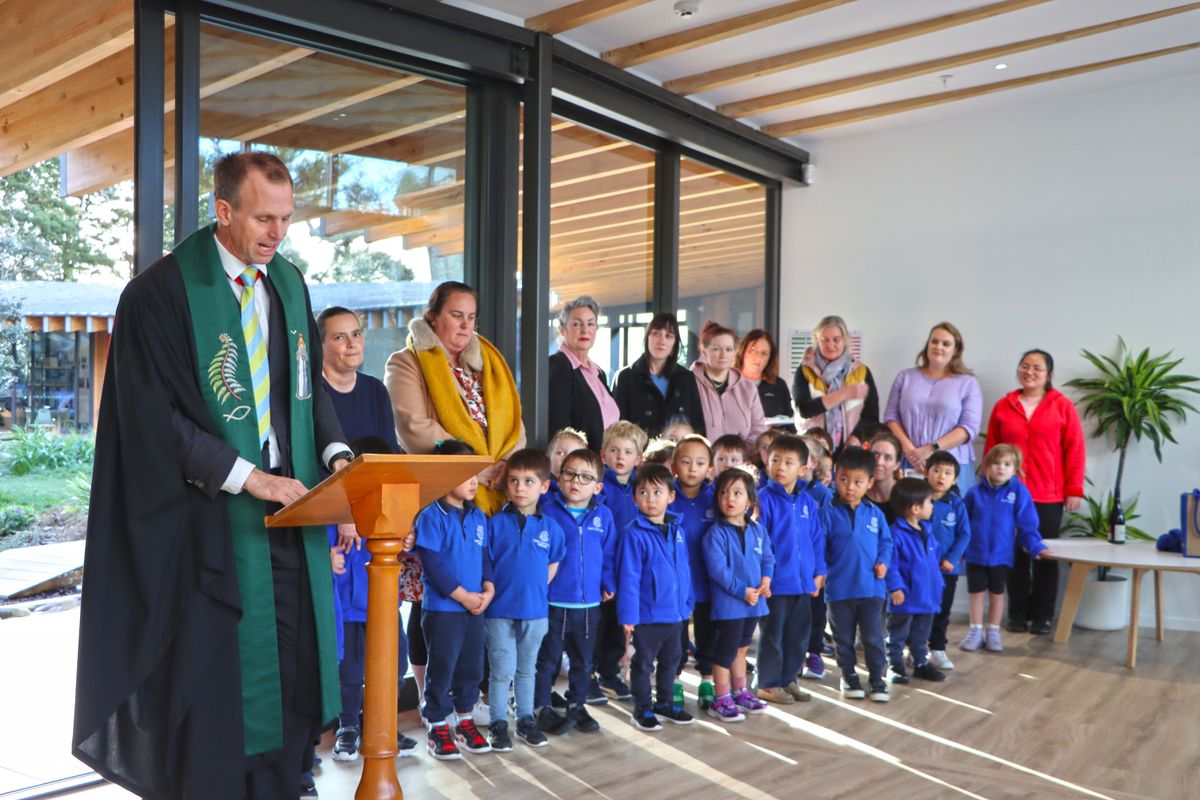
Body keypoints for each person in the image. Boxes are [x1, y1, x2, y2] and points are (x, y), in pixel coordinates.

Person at [73, 152, 353, 799]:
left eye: (286, 219)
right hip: (207, 527)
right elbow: (151, 419)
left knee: (291, 673)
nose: (278, 233)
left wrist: (337, 455)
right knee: (218, 697)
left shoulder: (288, 284)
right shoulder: (160, 294)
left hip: (291, 517)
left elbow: (306, 390)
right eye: (263, 218)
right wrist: (248, 477)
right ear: (224, 211)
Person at [385, 281, 526, 514]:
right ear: (432, 317)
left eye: (471, 317)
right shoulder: (405, 362)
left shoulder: (489, 362)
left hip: (502, 486)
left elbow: (514, 423)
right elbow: (413, 426)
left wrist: (506, 465)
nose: (465, 325)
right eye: (456, 315)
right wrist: (469, 466)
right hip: (442, 497)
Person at [985, 349, 1086, 635]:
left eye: (1037, 368)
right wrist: (989, 487)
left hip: (1048, 496)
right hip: (1010, 495)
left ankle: (1043, 616)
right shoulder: (1004, 406)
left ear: (1049, 375)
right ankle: (1017, 614)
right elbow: (992, 450)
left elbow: (1075, 450)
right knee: (1015, 557)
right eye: (1025, 366)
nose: (1029, 372)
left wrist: (1073, 489)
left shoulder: (1062, 406)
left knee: (1045, 557)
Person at [414, 440, 494, 760]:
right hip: (444, 609)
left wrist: (488, 590)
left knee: (471, 667)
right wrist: (463, 597)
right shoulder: (430, 515)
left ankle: (464, 721)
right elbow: (433, 565)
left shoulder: (478, 516)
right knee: (442, 666)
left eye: (475, 474)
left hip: (475, 608)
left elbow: (485, 558)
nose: (474, 481)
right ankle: (437, 726)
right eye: (465, 475)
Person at [485, 449, 565, 752]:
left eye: (529, 481)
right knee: (501, 669)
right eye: (514, 481)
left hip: (535, 612)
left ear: (544, 486)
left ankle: (525, 720)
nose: (520, 488)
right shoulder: (494, 524)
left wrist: (535, 589)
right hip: (498, 612)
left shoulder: (551, 528)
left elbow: (553, 563)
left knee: (527, 669)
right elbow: (486, 565)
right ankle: (497, 723)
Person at [535, 447, 617, 735]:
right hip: (553, 601)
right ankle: (541, 706)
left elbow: (609, 554)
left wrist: (608, 583)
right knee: (548, 659)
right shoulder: (547, 512)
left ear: (598, 486)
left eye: (585, 477)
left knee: (583, 661)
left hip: (588, 605)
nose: (576, 482)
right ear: (558, 478)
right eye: (570, 474)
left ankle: (577, 705)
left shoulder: (603, 516)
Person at [617, 464, 695, 732]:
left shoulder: (678, 530)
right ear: (634, 498)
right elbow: (628, 578)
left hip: (676, 614)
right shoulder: (632, 534)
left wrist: (687, 603)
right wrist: (628, 616)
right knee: (643, 664)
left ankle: (665, 703)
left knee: (671, 661)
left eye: (657, 492)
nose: (650, 499)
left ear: (671, 496)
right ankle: (642, 707)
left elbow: (684, 570)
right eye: (643, 492)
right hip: (647, 615)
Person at [961, 444, 1051, 653]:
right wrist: (959, 551)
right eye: (996, 463)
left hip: (1001, 556)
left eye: (1007, 464)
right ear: (986, 466)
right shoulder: (974, 493)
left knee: (997, 593)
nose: (1001, 467)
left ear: (1015, 469)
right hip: (975, 554)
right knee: (976, 593)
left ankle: (993, 631)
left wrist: (1035, 546)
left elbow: (1027, 523)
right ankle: (975, 631)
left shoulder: (1019, 492)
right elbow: (962, 525)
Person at [755, 435, 825, 705]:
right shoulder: (763, 499)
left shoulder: (808, 502)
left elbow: (816, 539)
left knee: (797, 635)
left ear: (803, 468)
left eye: (788, 462)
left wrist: (819, 571)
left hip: (803, 583)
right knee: (773, 635)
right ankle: (768, 683)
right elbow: (760, 542)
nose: (780, 467)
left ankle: (788, 679)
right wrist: (764, 577)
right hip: (775, 584)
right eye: (775, 460)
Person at [703, 468, 774, 722]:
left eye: (737, 493)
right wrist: (741, 591)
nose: (729, 498)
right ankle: (720, 698)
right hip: (730, 605)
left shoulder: (758, 531)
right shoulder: (716, 533)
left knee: (742, 650)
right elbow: (718, 570)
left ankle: (740, 692)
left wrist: (766, 581)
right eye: (723, 493)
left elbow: (768, 559)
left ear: (750, 500)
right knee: (725, 652)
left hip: (753, 603)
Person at [823, 447, 893, 703]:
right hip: (839, 590)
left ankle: (877, 678)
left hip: (871, 589)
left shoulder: (875, 514)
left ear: (870, 483)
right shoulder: (827, 512)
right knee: (843, 639)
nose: (850, 487)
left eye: (857, 482)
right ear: (835, 476)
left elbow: (886, 543)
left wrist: (883, 562)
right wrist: (821, 573)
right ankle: (849, 675)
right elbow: (819, 547)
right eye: (844, 479)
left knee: (874, 637)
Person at [884, 322, 983, 491]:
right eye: (934, 341)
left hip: (950, 465)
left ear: (956, 350)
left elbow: (969, 428)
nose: (938, 347)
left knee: (949, 508)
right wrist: (911, 451)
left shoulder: (968, 383)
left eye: (946, 344)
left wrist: (931, 449)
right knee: (910, 506)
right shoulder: (905, 376)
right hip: (910, 461)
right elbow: (891, 417)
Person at [592, 420, 647, 704]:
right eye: (614, 450)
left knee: (617, 625)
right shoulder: (599, 487)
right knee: (596, 625)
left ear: (638, 458)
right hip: (602, 566)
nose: (620, 457)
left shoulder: (643, 487)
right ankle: (587, 675)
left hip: (631, 568)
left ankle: (609, 673)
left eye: (627, 452)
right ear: (603, 455)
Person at [668, 435, 717, 709]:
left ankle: (707, 682)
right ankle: (673, 681)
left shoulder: (716, 497)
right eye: (686, 462)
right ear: (674, 465)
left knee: (708, 634)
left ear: (709, 468)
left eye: (700, 463)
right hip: (675, 582)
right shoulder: (667, 496)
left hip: (707, 580)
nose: (692, 469)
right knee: (676, 637)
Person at [885, 478, 946, 685]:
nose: (932, 506)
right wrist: (895, 587)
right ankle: (895, 665)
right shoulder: (896, 534)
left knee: (922, 633)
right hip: (906, 596)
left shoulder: (927, 530)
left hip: (927, 594)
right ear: (915, 508)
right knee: (898, 633)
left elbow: (934, 556)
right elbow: (891, 565)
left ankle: (920, 663)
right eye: (929, 502)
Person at [612, 311, 706, 437]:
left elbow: (697, 425)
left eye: (668, 336)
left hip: (679, 447)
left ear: (675, 344)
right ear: (647, 338)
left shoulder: (686, 378)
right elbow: (618, 428)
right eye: (656, 333)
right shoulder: (626, 377)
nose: (662, 340)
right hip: (639, 447)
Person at [793, 315, 879, 450]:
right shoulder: (804, 370)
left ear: (845, 340)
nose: (830, 345)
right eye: (825, 339)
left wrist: (854, 441)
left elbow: (871, 416)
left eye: (836, 339)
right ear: (817, 340)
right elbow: (803, 410)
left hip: (851, 449)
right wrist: (842, 394)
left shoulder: (861, 371)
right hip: (812, 449)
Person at [548, 296, 621, 452]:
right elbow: (559, 429)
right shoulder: (559, 366)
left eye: (590, 324)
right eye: (577, 324)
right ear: (562, 330)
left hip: (605, 461)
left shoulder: (598, 372)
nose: (585, 330)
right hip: (580, 462)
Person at [923, 451, 971, 671]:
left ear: (955, 479)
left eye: (947, 472)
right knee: (919, 610)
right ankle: (916, 649)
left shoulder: (956, 504)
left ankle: (938, 648)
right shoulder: (918, 500)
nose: (941, 476)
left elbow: (964, 535)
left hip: (945, 571)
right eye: (936, 470)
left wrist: (952, 558)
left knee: (942, 611)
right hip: (920, 569)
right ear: (926, 472)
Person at [692, 321, 768, 447]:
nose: (723, 355)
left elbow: (758, 429)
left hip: (742, 457)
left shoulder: (748, 388)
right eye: (716, 349)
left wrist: (740, 454)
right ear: (704, 352)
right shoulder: (689, 383)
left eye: (728, 349)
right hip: (701, 457)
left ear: (734, 352)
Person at [735, 329, 795, 431]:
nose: (758, 357)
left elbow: (790, 424)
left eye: (764, 353)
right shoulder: (730, 381)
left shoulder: (778, 385)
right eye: (753, 350)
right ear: (743, 351)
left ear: (769, 359)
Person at [866, 431, 903, 523]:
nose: (879, 462)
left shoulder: (906, 496)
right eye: (875, 455)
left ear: (897, 465)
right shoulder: (857, 494)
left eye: (888, 458)